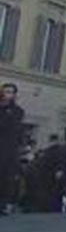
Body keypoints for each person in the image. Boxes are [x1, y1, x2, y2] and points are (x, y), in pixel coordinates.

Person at [0, 84, 23, 215]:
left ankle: (3, 204)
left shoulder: (17, 111)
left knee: (6, 177)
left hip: (8, 149)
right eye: (5, 92)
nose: (7, 95)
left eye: (10, 92)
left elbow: (14, 127)